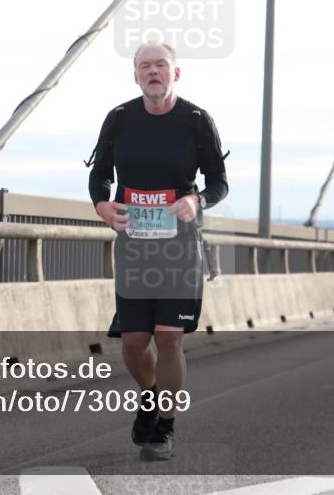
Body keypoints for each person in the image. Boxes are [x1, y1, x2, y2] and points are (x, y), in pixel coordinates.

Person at [86, 41, 228, 461]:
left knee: (168, 337)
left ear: (175, 73)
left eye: (161, 65)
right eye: (145, 66)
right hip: (134, 247)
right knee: (133, 342)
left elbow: (219, 182)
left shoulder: (196, 121)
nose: (153, 72)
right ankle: (149, 395)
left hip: (179, 247)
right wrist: (102, 206)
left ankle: (165, 426)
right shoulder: (119, 118)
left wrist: (197, 201)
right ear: (135, 76)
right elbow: (100, 175)